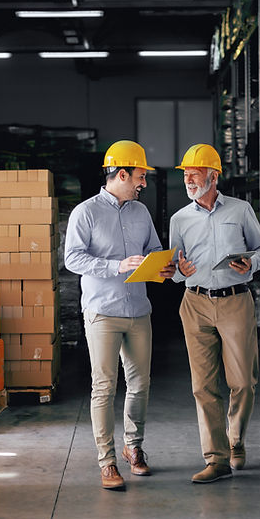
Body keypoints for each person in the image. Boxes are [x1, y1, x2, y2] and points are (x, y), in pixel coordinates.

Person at [64, 139, 175, 491]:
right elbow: (73, 259)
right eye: (140, 176)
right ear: (122, 174)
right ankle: (107, 461)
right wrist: (116, 266)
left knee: (140, 384)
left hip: (139, 310)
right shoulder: (86, 212)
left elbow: (154, 252)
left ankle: (133, 447)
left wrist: (163, 268)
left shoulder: (141, 213)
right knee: (104, 387)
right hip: (103, 312)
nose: (143, 183)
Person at [168, 144, 260, 484]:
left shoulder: (241, 211)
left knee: (243, 380)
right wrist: (179, 270)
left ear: (213, 176)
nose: (188, 179)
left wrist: (251, 263)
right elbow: (174, 270)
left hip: (235, 300)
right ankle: (216, 458)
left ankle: (236, 438)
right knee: (203, 386)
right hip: (195, 302)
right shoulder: (179, 219)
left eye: (194, 173)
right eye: (185, 174)